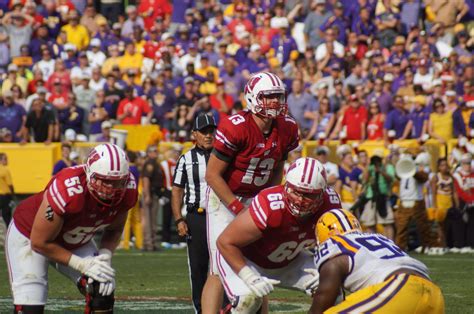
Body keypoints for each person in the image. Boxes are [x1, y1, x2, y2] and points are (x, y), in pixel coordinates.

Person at [205, 71, 299, 313]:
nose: (276, 103)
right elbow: (212, 175)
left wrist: (270, 197)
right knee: (219, 266)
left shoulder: (287, 127)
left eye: (279, 97)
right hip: (226, 199)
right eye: (269, 97)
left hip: (258, 198)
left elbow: (278, 165)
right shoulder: (236, 127)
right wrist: (236, 207)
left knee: (257, 264)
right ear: (253, 98)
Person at [5, 143, 138, 313]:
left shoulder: (128, 190)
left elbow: (115, 229)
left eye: (117, 182)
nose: (111, 189)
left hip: (73, 238)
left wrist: (105, 256)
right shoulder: (67, 189)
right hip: (30, 234)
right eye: (104, 181)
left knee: (101, 285)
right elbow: (39, 242)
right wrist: (82, 265)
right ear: (89, 173)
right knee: (31, 304)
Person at [216, 157, 342, 313]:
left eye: (309, 195)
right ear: (286, 186)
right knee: (248, 301)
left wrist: (326, 266)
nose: (301, 200)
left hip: (289, 259)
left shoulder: (330, 205)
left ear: (322, 193)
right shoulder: (271, 205)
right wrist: (249, 276)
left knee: (334, 290)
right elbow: (225, 242)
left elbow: (338, 245)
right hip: (248, 260)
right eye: (297, 192)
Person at [309, 208, 445, 314]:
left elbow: (322, 301)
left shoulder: (334, 245)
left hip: (399, 289)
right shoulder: (379, 237)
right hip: (434, 294)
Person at [172, 114, 217, 313]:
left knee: (222, 265)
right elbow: (177, 190)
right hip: (196, 217)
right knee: (198, 267)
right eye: (204, 132)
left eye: (211, 131)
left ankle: (224, 307)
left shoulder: (224, 156)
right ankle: (200, 309)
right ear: (194, 134)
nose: (208, 135)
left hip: (219, 217)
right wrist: (179, 219)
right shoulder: (186, 159)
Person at [360, 155, 396, 240]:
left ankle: (390, 245)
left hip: (383, 197)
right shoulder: (370, 167)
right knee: (369, 224)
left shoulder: (388, 166)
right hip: (371, 197)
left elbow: (391, 179)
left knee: (387, 223)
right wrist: (368, 167)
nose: (376, 162)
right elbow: (364, 180)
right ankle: (372, 245)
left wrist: (381, 171)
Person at [141, 145, 165, 251]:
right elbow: (146, 179)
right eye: (154, 151)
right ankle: (149, 244)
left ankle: (152, 243)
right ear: (149, 153)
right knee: (149, 220)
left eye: (156, 151)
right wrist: (147, 195)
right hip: (151, 193)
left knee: (153, 220)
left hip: (154, 194)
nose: (156, 152)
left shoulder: (155, 163)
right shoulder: (150, 163)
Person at [0, 153, 14, 227]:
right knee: (6, 216)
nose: (7, 161)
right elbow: (10, 184)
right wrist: (12, 195)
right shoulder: (5, 170)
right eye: (5, 159)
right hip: (5, 196)